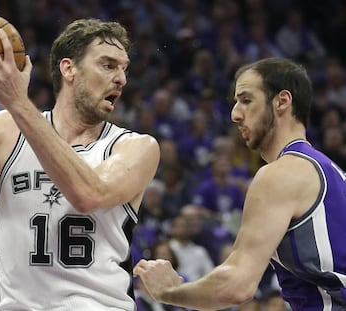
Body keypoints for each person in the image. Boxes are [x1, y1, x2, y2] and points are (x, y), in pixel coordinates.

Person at [0, 16, 160, 310]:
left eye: (124, 68)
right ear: (69, 69)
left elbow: (88, 195)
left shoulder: (134, 147)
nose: (121, 78)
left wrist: (17, 103)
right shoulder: (6, 131)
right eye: (108, 65)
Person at [133, 57, 346, 310]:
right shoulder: (330, 171)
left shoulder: (280, 174)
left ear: (282, 101)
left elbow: (237, 285)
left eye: (246, 100)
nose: (235, 114)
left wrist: (168, 291)